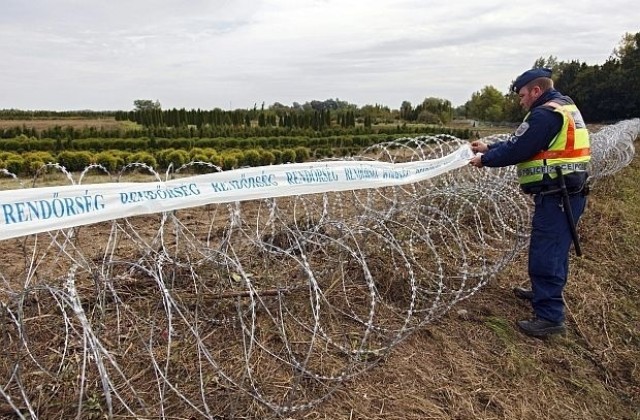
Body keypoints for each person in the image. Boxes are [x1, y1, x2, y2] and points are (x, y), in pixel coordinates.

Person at [469, 67, 591, 338]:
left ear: (536, 91)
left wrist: (485, 160)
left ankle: (549, 317)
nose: (520, 100)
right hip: (569, 193)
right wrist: (490, 148)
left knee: (546, 254)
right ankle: (542, 294)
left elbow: (519, 149)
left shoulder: (545, 114)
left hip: (558, 196)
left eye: (522, 95)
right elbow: (524, 142)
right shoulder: (564, 106)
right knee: (555, 252)